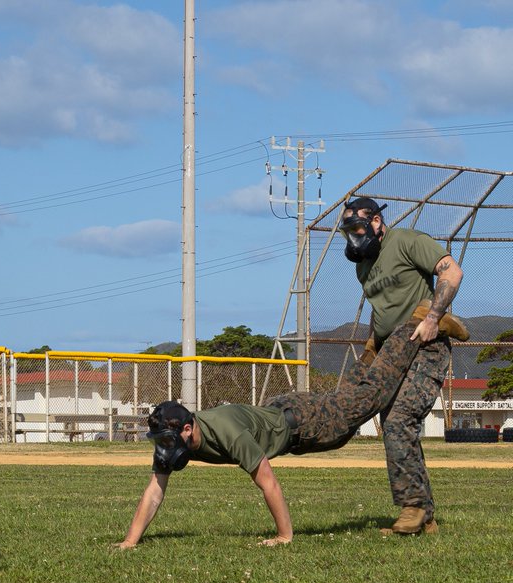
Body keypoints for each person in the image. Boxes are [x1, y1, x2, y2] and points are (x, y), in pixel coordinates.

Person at [119, 307, 470, 549]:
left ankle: (418, 326)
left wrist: (285, 536)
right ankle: (374, 349)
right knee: (353, 399)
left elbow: (267, 480)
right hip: (283, 413)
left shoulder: (224, 431)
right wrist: (130, 541)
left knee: (368, 401)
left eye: (166, 439)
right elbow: (154, 491)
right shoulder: (175, 441)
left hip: (304, 423)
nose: (162, 449)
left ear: (186, 428)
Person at [340, 196, 465, 534]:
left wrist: (434, 317)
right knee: (391, 424)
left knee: (399, 421)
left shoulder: (407, 241)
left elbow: (452, 271)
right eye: (347, 232)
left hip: (426, 346)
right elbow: (380, 309)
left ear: (377, 222)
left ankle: (412, 508)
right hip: (390, 352)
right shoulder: (362, 265)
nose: (352, 238)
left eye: (357, 229)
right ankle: (425, 516)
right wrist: (371, 348)